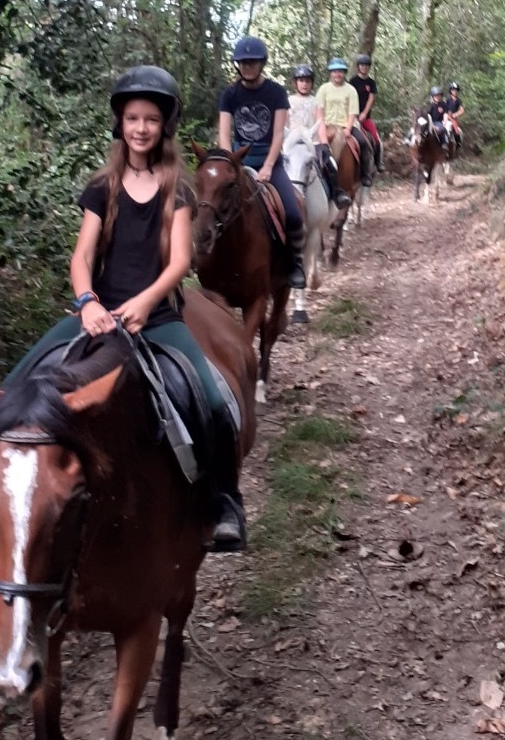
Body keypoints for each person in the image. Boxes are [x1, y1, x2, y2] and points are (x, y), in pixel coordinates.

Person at [72, 65, 247, 551]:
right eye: (132, 118)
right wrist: (87, 302)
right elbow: (82, 255)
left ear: (164, 125)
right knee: (26, 380)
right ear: (120, 124)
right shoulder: (100, 188)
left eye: (151, 118)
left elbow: (180, 262)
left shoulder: (179, 189)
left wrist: (146, 302)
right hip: (99, 317)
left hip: (160, 318)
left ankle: (225, 501)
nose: (141, 127)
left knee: (212, 401)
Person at [218, 37, 306, 289]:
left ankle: (295, 262)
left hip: (271, 163)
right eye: (243, 63)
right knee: (211, 206)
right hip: (238, 162)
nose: (247, 67)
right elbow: (224, 133)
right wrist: (228, 163)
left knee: (292, 212)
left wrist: (268, 166)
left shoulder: (276, 93)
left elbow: (278, 133)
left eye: (252, 62)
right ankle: (204, 257)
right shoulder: (230, 95)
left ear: (261, 64)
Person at [288, 63, 351, 210]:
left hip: (312, 143)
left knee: (330, 164)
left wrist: (324, 143)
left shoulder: (315, 102)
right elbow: (284, 123)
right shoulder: (288, 101)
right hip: (292, 144)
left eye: (307, 81)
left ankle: (336, 192)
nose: (304, 84)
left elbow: (320, 123)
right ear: (295, 83)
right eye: (301, 80)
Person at [316, 58, 374, 188]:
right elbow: (319, 110)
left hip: (347, 124)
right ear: (330, 73)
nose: (337, 74)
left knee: (364, 143)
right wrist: (322, 127)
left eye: (340, 71)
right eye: (335, 71)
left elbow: (353, 112)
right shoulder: (323, 89)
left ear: (344, 73)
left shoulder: (350, 90)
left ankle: (365, 174)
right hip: (327, 125)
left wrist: (347, 129)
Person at [350, 54, 384, 171]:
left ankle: (378, 162)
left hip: (366, 117)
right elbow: (350, 98)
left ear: (369, 67)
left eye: (366, 65)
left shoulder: (371, 83)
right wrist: (354, 114)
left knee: (375, 138)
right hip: (352, 117)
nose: (364, 67)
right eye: (362, 65)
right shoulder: (353, 81)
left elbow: (371, 98)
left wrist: (364, 113)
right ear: (358, 66)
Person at [447, 82, 465, 148]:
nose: (455, 91)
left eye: (456, 90)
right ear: (450, 91)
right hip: (446, 117)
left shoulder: (458, 100)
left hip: (453, 118)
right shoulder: (447, 99)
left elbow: (462, 110)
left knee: (457, 131)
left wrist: (456, 114)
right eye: (453, 90)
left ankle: (458, 143)